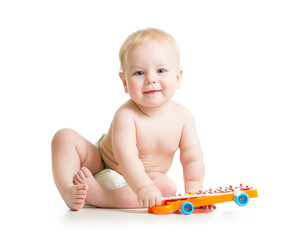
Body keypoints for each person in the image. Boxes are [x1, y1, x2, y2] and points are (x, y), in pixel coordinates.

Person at [52, 28, 214, 211]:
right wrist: (142, 187)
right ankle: (69, 190)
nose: (150, 79)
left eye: (161, 70)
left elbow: (192, 159)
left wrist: (194, 195)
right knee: (64, 136)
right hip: (100, 163)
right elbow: (126, 156)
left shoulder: (184, 117)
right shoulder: (126, 114)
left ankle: (103, 197)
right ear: (124, 82)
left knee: (167, 187)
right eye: (139, 73)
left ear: (178, 77)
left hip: (145, 180)